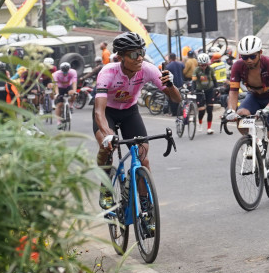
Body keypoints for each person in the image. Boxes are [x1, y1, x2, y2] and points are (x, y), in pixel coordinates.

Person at [92, 32, 181, 213]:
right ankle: (105, 187)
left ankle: (146, 206)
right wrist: (108, 134)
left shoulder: (148, 69)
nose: (139, 57)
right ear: (121, 57)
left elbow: (176, 99)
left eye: (141, 52)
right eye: (133, 54)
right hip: (108, 112)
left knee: (143, 159)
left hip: (130, 112)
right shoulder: (107, 72)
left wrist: (171, 85)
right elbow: (99, 111)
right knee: (107, 148)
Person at [226, 35, 269, 192]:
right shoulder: (238, 66)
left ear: (260, 53)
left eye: (252, 56)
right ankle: (253, 141)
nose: (248, 60)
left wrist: (267, 109)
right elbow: (233, 91)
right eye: (244, 57)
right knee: (241, 114)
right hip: (253, 97)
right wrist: (231, 110)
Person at [191, 52, 218, 133]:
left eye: (205, 65)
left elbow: (214, 80)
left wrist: (217, 89)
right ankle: (199, 123)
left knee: (210, 109)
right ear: (199, 64)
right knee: (202, 110)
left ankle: (209, 128)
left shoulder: (211, 70)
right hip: (199, 90)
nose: (203, 67)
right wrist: (193, 90)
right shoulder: (196, 70)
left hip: (209, 90)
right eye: (201, 65)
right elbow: (194, 81)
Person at [51, 60, 78, 125]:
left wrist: (74, 91)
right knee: (59, 105)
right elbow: (55, 85)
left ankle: (71, 106)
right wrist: (57, 93)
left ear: (69, 69)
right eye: (64, 71)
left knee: (73, 93)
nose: (65, 73)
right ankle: (58, 121)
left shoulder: (73, 72)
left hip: (68, 86)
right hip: (59, 88)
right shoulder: (56, 74)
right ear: (61, 70)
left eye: (66, 71)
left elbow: (74, 82)